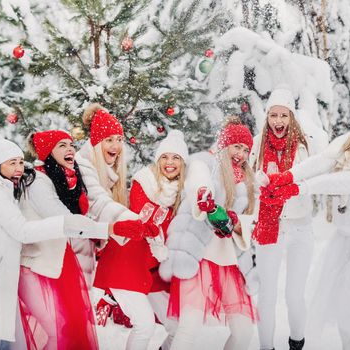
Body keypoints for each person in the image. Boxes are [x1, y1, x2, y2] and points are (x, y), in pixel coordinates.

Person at [0, 135, 108, 350]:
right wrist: (63, 225)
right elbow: (22, 230)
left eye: (20, 161)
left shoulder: (3, 188)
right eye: (11, 163)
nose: (19, 168)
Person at [263, 92, 350, 349]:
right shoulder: (349, 143)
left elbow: (339, 181)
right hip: (348, 238)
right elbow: (322, 162)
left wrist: (298, 189)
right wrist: (287, 177)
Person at [17, 130, 151, 349]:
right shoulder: (38, 182)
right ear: (47, 152)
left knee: (64, 329)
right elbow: (66, 221)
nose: (70, 149)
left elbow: (91, 207)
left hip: (54, 264)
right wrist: (112, 228)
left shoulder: (63, 178)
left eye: (71, 144)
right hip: (35, 267)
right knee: (55, 330)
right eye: (61, 145)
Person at [160, 118, 258, 350]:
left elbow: (252, 221)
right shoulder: (204, 163)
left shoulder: (249, 181)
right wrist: (205, 195)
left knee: (244, 331)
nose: (241, 154)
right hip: (198, 256)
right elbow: (198, 181)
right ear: (225, 145)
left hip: (230, 263)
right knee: (188, 327)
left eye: (246, 149)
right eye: (236, 146)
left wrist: (234, 222)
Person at [95, 130, 188, 350]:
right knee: (144, 326)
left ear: (183, 163)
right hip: (125, 262)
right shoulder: (144, 181)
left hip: (152, 269)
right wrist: (158, 234)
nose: (169, 162)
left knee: (178, 328)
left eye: (175, 157)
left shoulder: (182, 195)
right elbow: (142, 223)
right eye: (164, 157)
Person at [249, 88, 313, 350]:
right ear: (267, 117)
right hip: (268, 226)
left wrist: (290, 188)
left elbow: (310, 181)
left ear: (291, 117)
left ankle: (297, 343)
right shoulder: (257, 144)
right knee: (267, 294)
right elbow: (249, 180)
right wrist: (261, 186)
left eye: (283, 115)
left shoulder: (302, 146)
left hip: (299, 227)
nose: (278, 120)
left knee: (294, 295)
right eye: (273, 115)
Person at [73, 103, 139, 288]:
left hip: (89, 249)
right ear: (96, 143)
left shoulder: (111, 171)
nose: (116, 146)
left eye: (119, 139)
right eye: (109, 140)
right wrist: (132, 222)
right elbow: (99, 202)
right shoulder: (82, 165)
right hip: (74, 249)